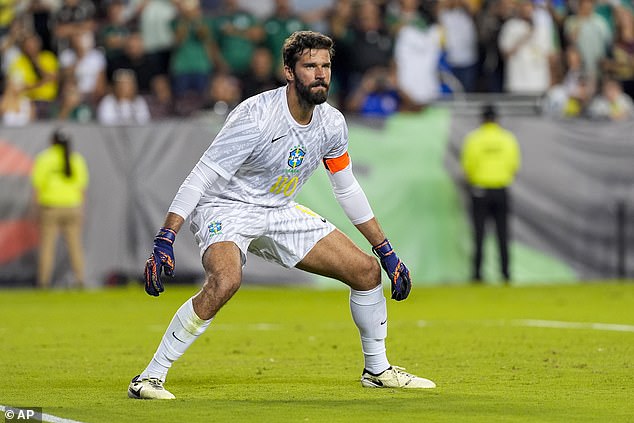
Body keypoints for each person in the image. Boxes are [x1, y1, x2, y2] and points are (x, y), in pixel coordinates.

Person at [127, 30, 436, 400]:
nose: (320, 74)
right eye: (310, 66)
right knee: (226, 281)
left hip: (279, 209)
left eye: (326, 66)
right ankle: (148, 378)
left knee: (367, 272)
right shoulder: (255, 117)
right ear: (289, 71)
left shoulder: (332, 123)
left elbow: (347, 188)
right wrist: (166, 237)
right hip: (227, 207)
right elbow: (201, 177)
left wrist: (384, 250)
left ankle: (377, 369)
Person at [460, 104, 521, 284]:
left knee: (479, 234)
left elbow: (468, 167)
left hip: (480, 190)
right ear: (497, 118)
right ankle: (505, 273)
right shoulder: (508, 138)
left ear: (482, 119)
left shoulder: (474, 139)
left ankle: (477, 275)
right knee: (503, 234)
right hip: (501, 189)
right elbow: (514, 165)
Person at [31, 128, 89, 289]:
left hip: (50, 207)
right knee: (75, 246)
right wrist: (82, 210)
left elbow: (37, 187)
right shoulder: (76, 159)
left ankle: (44, 282)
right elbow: (82, 188)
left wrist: (35, 210)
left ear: (52, 141)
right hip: (73, 206)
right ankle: (80, 279)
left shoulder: (44, 158)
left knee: (47, 247)